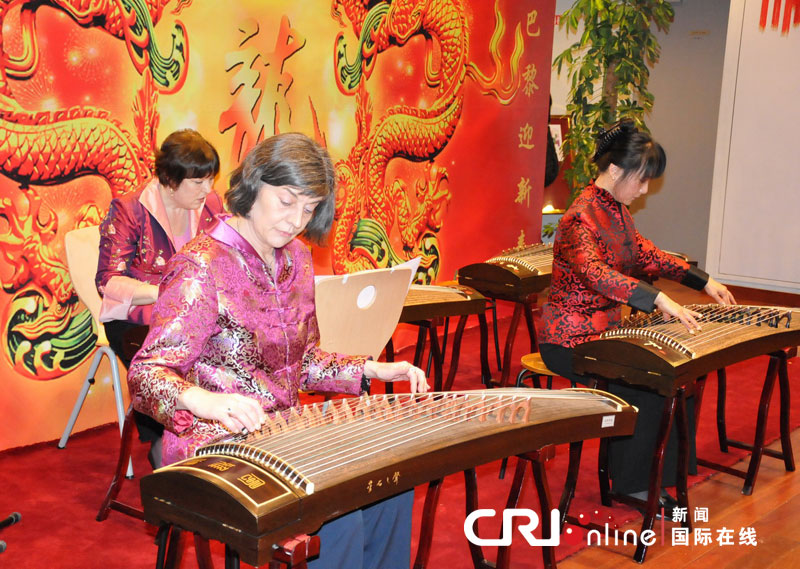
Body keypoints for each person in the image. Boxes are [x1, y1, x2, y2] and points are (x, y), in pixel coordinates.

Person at [127, 132, 428, 568]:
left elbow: (301, 361)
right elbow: (146, 374)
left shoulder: (296, 260)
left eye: (308, 209)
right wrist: (208, 401)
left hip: (282, 433)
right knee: (337, 514)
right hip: (216, 444)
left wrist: (372, 371)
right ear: (254, 184)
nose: (295, 221)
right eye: (287, 201)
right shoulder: (201, 266)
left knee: (391, 485)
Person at [539, 119, 736, 508]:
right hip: (570, 340)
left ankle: (667, 472)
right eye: (641, 180)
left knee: (680, 371)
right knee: (647, 380)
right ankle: (633, 485)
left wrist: (703, 280)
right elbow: (596, 274)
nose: (645, 190)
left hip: (608, 334)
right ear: (615, 170)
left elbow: (646, 253)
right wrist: (658, 299)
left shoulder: (616, 210)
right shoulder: (579, 217)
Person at [95, 129, 223, 468]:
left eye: (210, 179)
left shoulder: (210, 206)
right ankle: (163, 443)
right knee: (160, 363)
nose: (207, 190)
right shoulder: (129, 210)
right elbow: (107, 281)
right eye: (197, 182)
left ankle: (218, 441)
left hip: (193, 317)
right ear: (168, 179)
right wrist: (168, 293)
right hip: (136, 319)